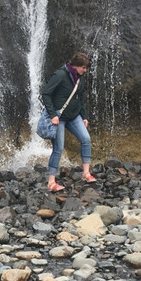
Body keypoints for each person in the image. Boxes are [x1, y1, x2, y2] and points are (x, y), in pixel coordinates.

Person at [41, 50, 94, 191]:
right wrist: (53, 115)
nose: (85, 70)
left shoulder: (79, 79)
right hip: (59, 118)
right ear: (76, 65)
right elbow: (46, 93)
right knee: (58, 148)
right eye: (84, 67)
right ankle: (51, 182)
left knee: (86, 139)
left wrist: (85, 116)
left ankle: (86, 173)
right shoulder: (60, 75)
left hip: (74, 116)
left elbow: (81, 99)